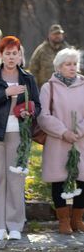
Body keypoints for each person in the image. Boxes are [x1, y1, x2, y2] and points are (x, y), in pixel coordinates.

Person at [0, 36, 40, 241]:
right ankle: (0, 226)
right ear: (0, 55)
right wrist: (6, 92)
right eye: (7, 53)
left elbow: (37, 106)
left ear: (20, 55)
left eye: (15, 53)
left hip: (19, 134)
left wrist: (29, 113)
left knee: (15, 179)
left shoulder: (28, 78)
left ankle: (15, 225)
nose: (11, 57)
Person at [37, 48, 84, 234]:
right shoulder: (49, 87)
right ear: (59, 66)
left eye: (74, 64)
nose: (72, 68)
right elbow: (43, 116)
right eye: (68, 64)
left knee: (82, 180)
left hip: (81, 142)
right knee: (59, 181)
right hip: (57, 141)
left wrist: (78, 132)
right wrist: (64, 132)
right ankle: (63, 220)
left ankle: (77, 219)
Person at [29, 24, 70, 88]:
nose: (57, 36)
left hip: (64, 87)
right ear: (49, 35)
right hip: (45, 88)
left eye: (59, 34)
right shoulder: (41, 50)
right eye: (55, 34)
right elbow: (33, 69)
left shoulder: (68, 50)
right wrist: (35, 87)